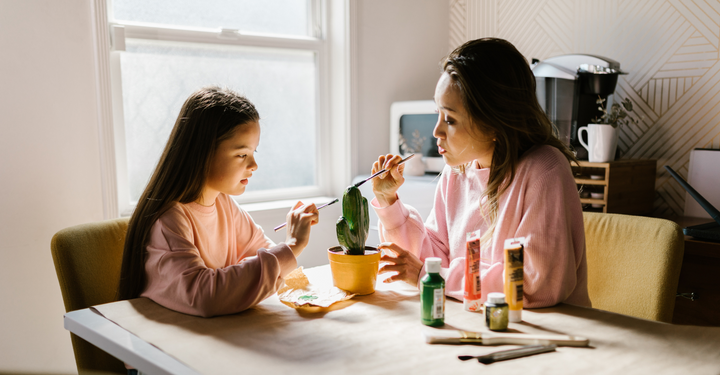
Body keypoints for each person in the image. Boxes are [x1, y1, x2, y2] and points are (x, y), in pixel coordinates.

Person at [371, 38, 591, 308]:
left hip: (547, 336)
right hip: (477, 325)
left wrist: (433, 276)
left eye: (450, 119)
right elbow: (433, 258)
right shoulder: (457, 172)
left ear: (494, 121)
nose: (436, 132)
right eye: (437, 114)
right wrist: (390, 203)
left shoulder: (545, 170)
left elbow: (536, 284)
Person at [117, 86, 319, 317]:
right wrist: (292, 245)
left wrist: (286, 252)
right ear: (202, 153)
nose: (254, 165)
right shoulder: (169, 220)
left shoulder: (224, 204)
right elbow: (204, 296)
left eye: (254, 152)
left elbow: (266, 258)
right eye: (242, 154)